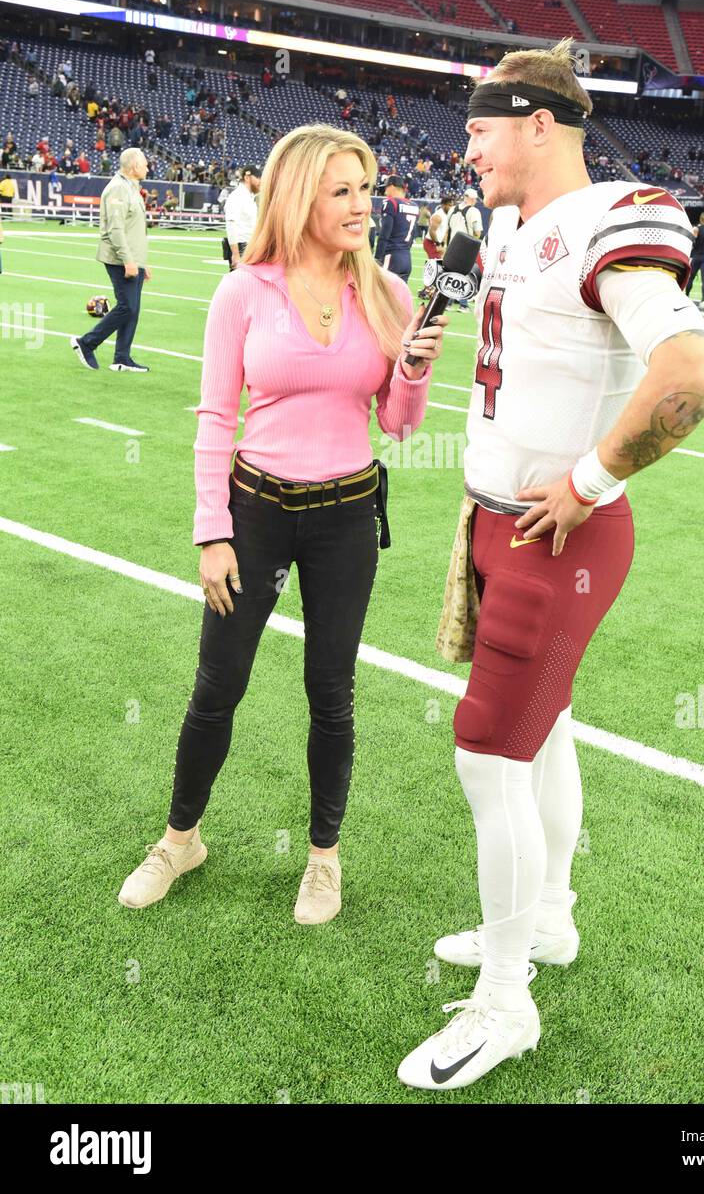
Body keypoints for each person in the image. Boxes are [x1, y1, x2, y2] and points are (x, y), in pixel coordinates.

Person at [397, 38, 704, 1091]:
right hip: (502, 519)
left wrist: (586, 478)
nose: (468, 147)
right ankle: (548, 924)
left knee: (486, 751)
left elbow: (689, 373)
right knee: (543, 736)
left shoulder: (608, 215)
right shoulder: (514, 223)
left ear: (541, 122)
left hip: (560, 534)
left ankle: (506, 1002)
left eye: (483, 126)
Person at [116, 125, 449, 925]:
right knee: (217, 687)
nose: (363, 206)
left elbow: (400, 425)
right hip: (254, 513)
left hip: (344, 517)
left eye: (366, 190)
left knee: (331, 693)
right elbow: (212, 415)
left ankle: (323, 860)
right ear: (300, 197)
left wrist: (413, 365)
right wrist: (211, 531)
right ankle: (179, 839)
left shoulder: (387, 293)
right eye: (343, 191)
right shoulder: (243, 291)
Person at [71, 148, 151, 373]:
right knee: (127, 307)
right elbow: (116, 230)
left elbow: (133, 229)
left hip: (133, 259)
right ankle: (86, 342)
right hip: (120, 259)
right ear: (134, 166)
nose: (147, 167)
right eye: (144, 164)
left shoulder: (131, 188)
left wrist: (142, 262)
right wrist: (128, 260)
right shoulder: (118, 188)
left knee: (132, 309)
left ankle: (122, 358)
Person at [374, 175, 418, 285]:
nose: (384, 192)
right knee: (399, 300)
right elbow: (412, 236)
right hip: (406, 258)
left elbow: (384, 234)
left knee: (380, 297)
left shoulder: (390, 202)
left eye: (386, 188)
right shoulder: (414, 205)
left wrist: (377, 258)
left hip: (391, 257)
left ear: (392, 187)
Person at [223, 165, 261, 269]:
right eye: (257, 177)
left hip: (249, 247)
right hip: (241, 248)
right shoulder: (237, 196)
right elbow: (231, 224)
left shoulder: (249, 197)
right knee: (240, 283)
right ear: (247, 177)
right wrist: (235, 254)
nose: (260, 181)